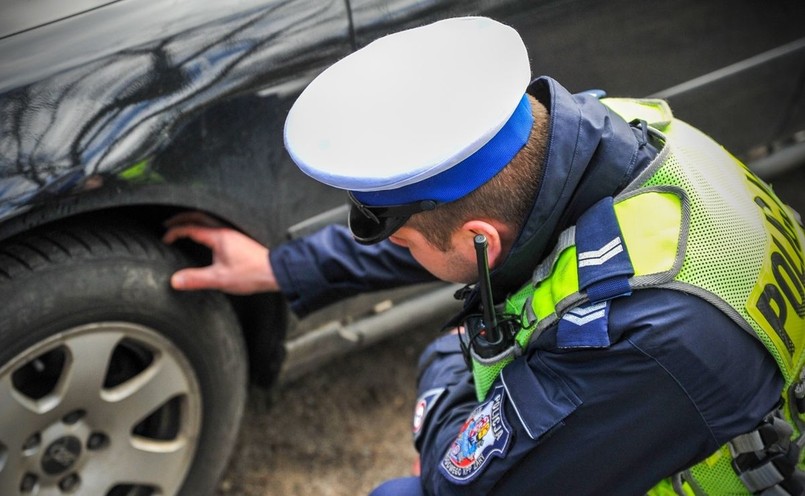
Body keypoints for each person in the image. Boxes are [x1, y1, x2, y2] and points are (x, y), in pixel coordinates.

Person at [164, 16, 805, 496]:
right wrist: (283, 269)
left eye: (402, 240)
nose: (398, 249)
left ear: (482, 242)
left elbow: (455, 480)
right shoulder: (606, 133)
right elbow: (462, 235)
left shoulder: (645, 337)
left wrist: (444, 353)